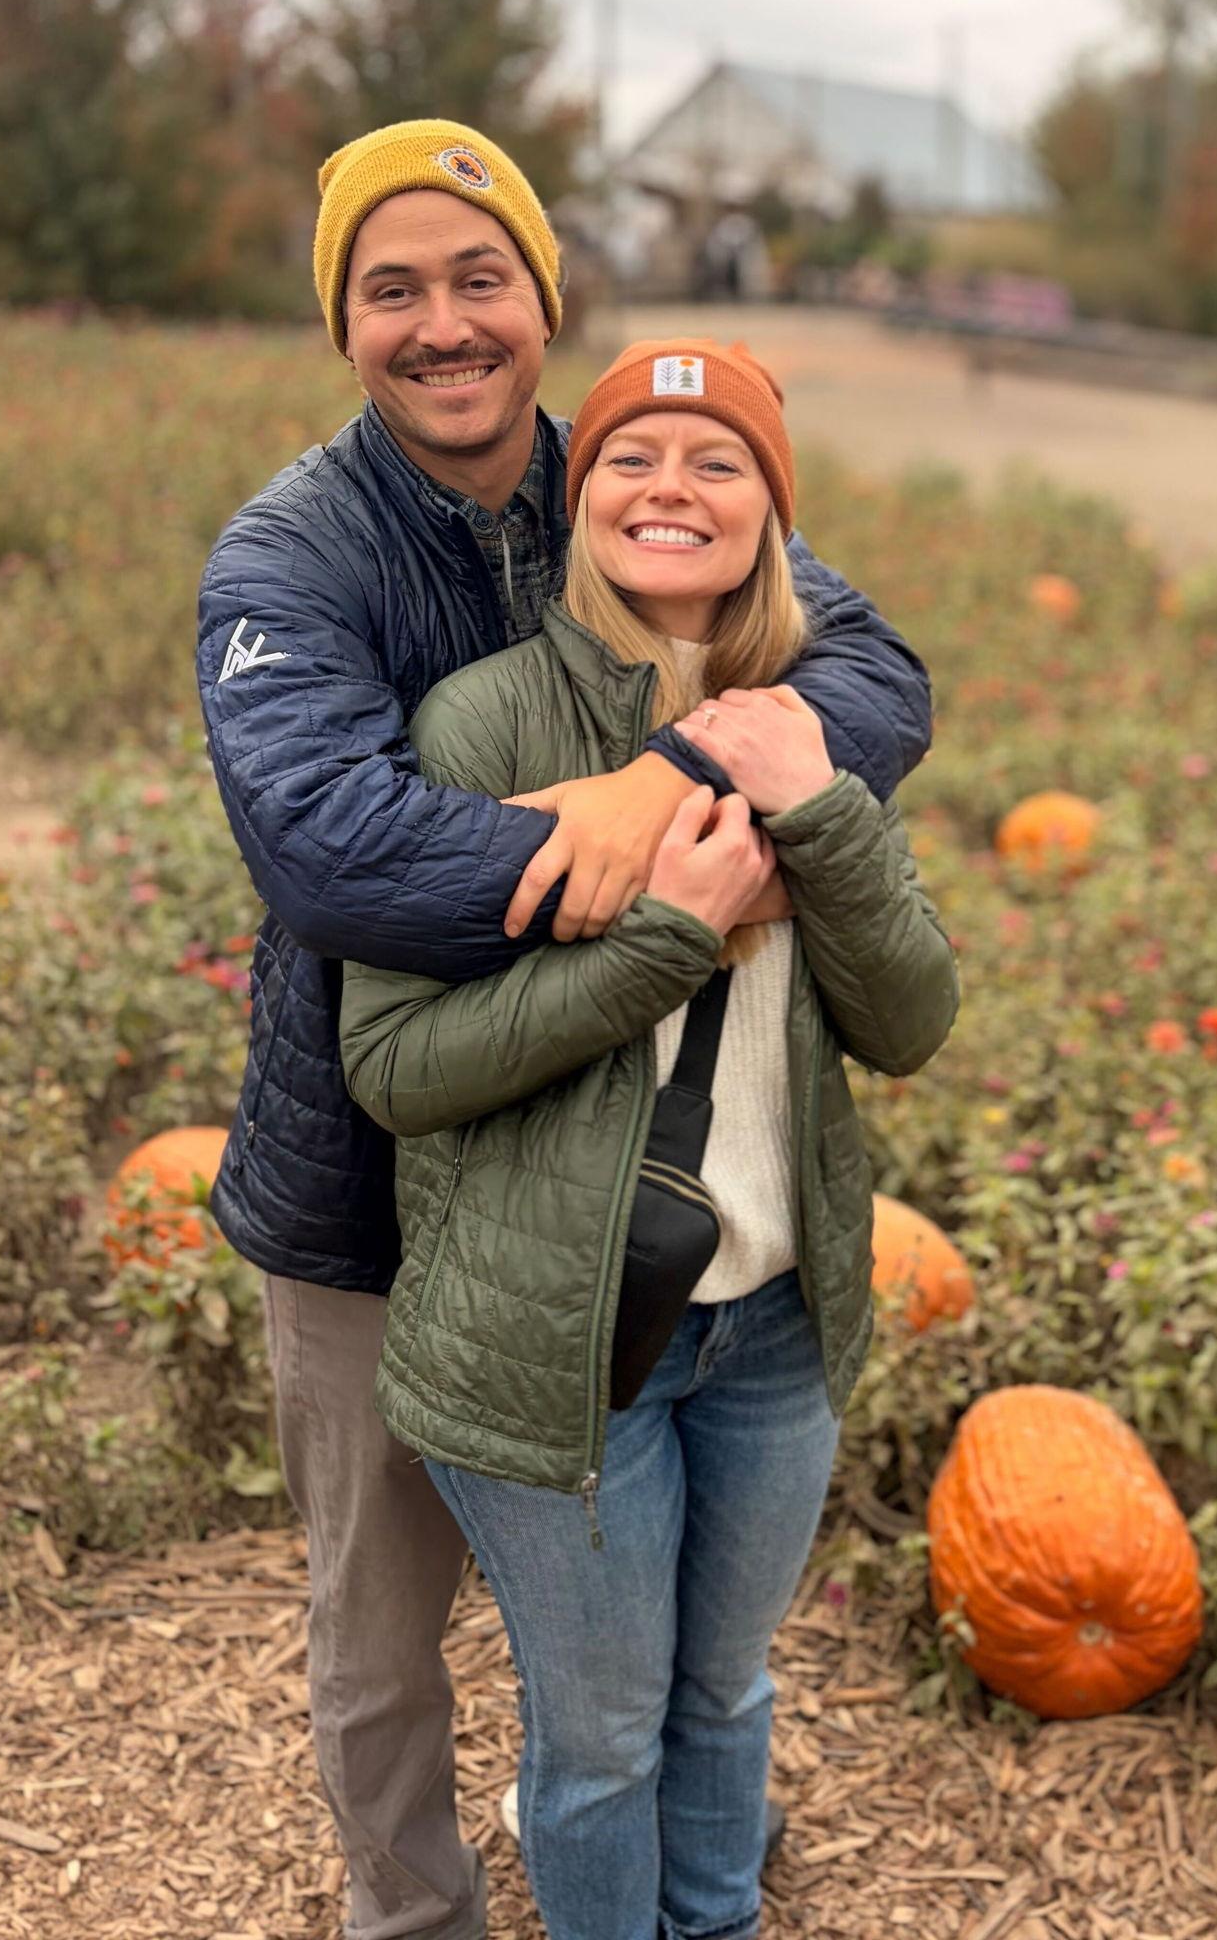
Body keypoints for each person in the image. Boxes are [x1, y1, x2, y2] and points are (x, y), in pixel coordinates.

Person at [195, 122, 932, 1940]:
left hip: (641, 1211)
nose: (443, 324)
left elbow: (868, 674)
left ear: (541, 298)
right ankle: (418, 1920)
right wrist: (617, 853)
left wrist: (685, 777)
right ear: (344, 325)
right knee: (385, 1643)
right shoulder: (290, 556)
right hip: (369, 1190)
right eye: (393, 288)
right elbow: (330, 849)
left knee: (651, 1680)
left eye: (479, 279)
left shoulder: (625, 471)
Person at [337, 336, 959, 1940]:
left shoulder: (813, 717)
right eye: (630, 457)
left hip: (770, 1327)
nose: (669, 489)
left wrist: (820, 815)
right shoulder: (481, 725)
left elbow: (907, 1020)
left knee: (726, 1697)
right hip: (559, 1340)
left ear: (771, 508)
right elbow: (400, 1065)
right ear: (579, 488)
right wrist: (663, 940)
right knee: (604, 1740)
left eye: (716, 463)